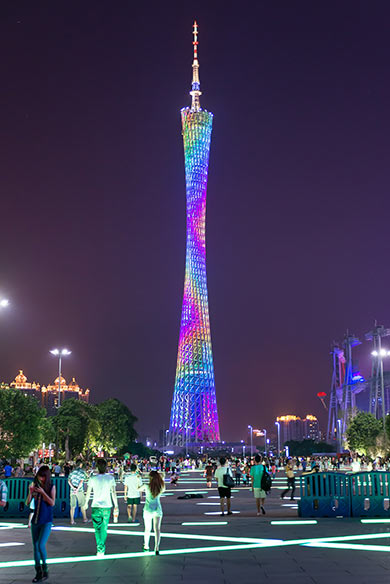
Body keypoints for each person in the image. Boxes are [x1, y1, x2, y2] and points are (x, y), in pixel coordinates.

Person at [26, 465, 56, 582]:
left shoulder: (51, 487)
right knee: (35, 547)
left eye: (43, 477)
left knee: (40, 544)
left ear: (46, 477)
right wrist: (30, 492)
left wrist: (43, 493)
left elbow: (52, 503)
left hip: (46, 520)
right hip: (36, 520)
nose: (41, 479)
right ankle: (38, 571)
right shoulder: (35, 486)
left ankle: (45, 568)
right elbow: (28, 502)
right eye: (39, 477)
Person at [86, 458, 118, 557]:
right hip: (107, 506)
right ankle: (101, 548)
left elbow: (88, 492)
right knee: (104, 528)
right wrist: (116, 505)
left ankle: (100, 548)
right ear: (106, 467)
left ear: (97, 467)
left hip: (95, 505)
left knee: (97, 529)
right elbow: (113, 493)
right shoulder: (110, 478)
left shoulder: (92, 478)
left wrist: (86, 503)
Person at [138, 470, 165, 554]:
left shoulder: (146, 486)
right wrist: (161, 477)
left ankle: (146, 545)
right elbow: (162, 476)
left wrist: (140, 479)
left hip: (148, 509)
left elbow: (138, 488)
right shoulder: (161, 487)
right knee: (157, 529)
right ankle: (157, 547)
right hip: (157, 509)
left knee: (147, 529)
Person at [68, 460, 88, 524]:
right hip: (79, 491)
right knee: (82, 505)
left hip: (72, 491)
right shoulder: (82, 472)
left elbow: (69, 481)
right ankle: (85, 519)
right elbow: (82, 481)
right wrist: (77, 489)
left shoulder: (72, 472)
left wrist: (73, 488)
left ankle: (72, 520)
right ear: (81, 464)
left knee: (72, 506)